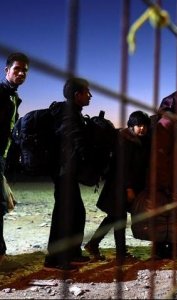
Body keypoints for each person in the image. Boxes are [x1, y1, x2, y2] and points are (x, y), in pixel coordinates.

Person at [84, 110, 151, 263]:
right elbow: (123, 167)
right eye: (138, 125)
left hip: (123, 186)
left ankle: (93, 244)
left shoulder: (140, 141)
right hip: (119, 187)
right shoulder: (125, 141)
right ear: (131, 126)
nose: (142, 129)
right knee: (118, 218)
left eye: (144, 125)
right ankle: (120, 254)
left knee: (113, 218)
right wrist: (128, 188)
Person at [44, 77, 92, 271]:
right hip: (63, 172)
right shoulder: (67, 114)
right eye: (87, 92)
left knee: (77, 212)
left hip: (68, 172)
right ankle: (55, 259)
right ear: (76, 95)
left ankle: (72, 252)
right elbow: (73, 138)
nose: (90, 96)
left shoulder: (74, 113)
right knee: (64, 215)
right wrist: (87, 155)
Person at [151, 91, 177, 259]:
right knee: (165, 213)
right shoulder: (167, 123)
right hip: (169, 179)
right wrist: (164, 183)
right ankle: (161, 248)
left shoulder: (176, 122)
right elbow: (160, 156)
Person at [0, 52, 29, 264]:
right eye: (17, 69)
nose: (21, 73)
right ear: (6, 70)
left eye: (24, 71)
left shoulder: (13, 97)